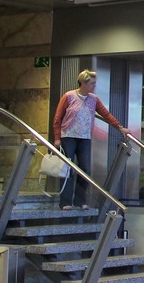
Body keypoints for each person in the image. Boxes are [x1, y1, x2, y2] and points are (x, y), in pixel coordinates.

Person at [51, 69, 127, 210]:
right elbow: (57, 118)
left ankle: (80, 201)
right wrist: (57, 138)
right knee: (67, 168)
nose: (94, 86)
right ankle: (65, 201)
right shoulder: (68, 96)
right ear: (83, 83)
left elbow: (106, 114)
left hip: (84, 138)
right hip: (68, 136)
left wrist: (120, 127)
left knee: (85, 169)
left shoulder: (94, 99)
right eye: (92, 83)